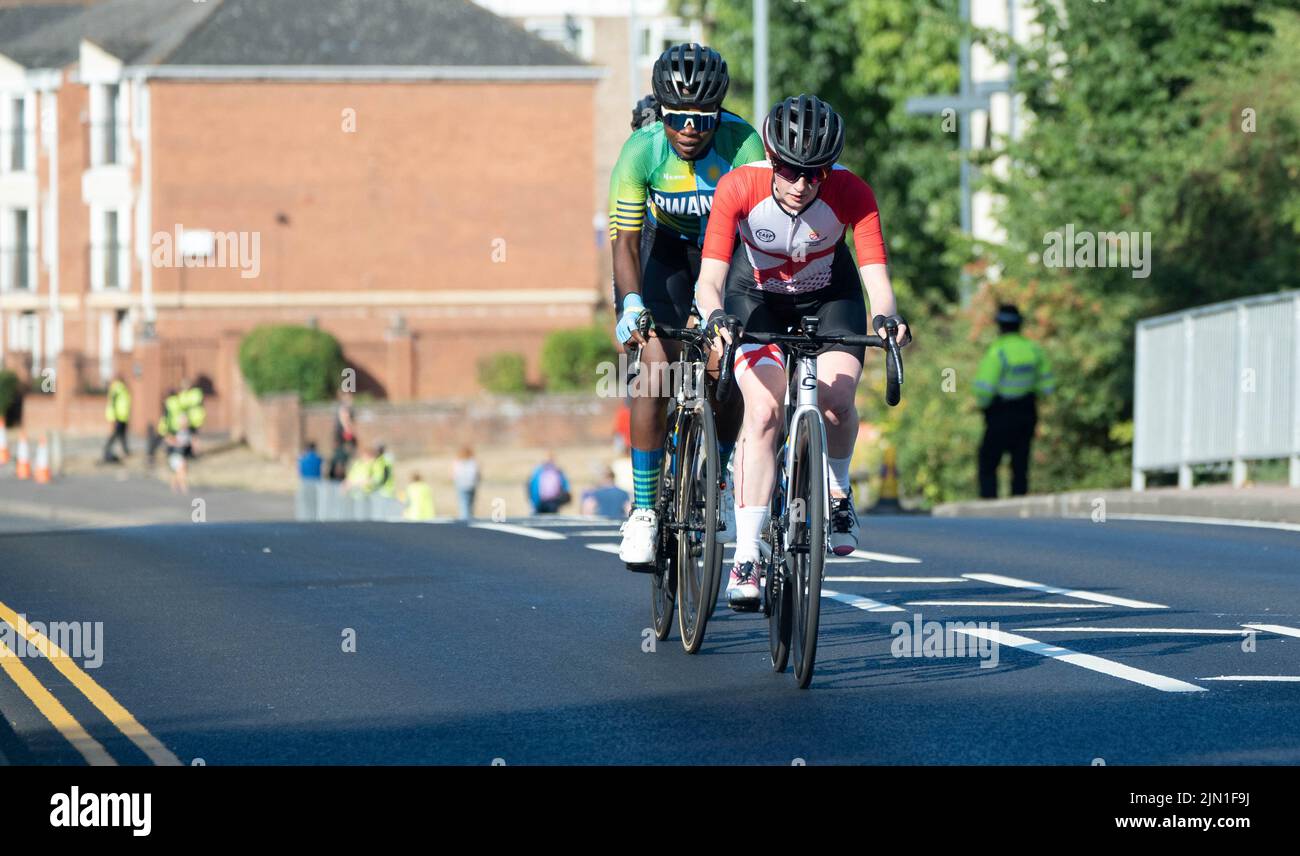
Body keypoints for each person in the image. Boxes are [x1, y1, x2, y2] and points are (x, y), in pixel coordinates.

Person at [695, 94, 911, 610]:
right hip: (756, 300)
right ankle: (746, 553)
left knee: (836, 402)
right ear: (772, 158)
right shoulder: (739, 187)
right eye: (790, 170)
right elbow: (710, 281)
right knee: (766, 410)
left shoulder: (852, 191)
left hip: (830, 297)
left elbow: (876, 278)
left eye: (814, 173)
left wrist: (887, 317)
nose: (801, 184)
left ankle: (837, 493)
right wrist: (716, 317)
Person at [611, 43, 764, 566]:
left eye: (703, 118)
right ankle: (646, 511)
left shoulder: (743, 144)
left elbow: (758, 236)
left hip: (728, 254)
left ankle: (715, 473)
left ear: (719, 114)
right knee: (655, 374)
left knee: (728, 369)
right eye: (678, 117)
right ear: (661, 111)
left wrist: (721, 310)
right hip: (665, 255)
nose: (691, 129)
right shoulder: (642, 150)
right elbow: (625, 243)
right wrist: (631, 304)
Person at [975, 304, 1055, 498]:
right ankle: (1018, 504)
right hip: (1027, 411)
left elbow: (984, 388)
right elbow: (1047, 387)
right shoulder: (1034, 350)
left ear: (999, 326)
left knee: (988, 461)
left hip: (1000, 413)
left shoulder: (998, 351)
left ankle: (989, 505)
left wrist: (985, 406)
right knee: (1020, 462)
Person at [103, 374, 132, 462]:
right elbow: (113, 403)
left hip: (123, 416)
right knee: (116, 434)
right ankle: (107, 448)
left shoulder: (123, 389)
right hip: (118, 416)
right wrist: (114, 417)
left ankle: (125, 450)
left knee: (122, 434)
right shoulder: (117, 389)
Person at [166, 413, 192, 494]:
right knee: (181, 471)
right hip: (175, 454)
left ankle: (174, 486)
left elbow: (189, 442)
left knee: (179, 471)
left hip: (183, 454)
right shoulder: (175, 431)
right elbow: (168, 440)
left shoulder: (187, 431)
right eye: (183, 421)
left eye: (186, 421)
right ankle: (183, 487)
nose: (185, 423)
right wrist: (177, 443)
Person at [452, 446, 479, 521]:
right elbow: (476, 473)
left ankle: (465, 518)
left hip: (461, 484)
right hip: (471, 484)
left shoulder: (457, 462)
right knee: (470, 502)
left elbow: (455, 473)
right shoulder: (472, 461)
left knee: (463, 502)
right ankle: (468, 516)